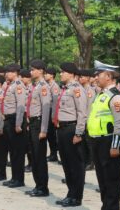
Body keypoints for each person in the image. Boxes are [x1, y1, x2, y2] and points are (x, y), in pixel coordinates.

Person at [88, 60, 120, 210]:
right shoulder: (101, 95)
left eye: (99, 74)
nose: (95, 77)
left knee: (111, 181)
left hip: (109, 143)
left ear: (108, 76)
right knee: (102, 180)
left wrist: (115, 145)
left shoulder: (115, 96)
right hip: (98, 141)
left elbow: (119, 123)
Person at [54, 62, 87, 207]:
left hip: (72, 129)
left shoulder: (77, 89)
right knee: (66, 163)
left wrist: (79, 133)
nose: (60, 74)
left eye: (63, 72)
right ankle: (70, 193)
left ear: (72, 74)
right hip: (62, 129)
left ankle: (76, 197)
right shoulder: (64, 89)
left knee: (75, 165)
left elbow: (82, 113)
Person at [24, 60, 51, 197]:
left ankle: (43, 187)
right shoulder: (35, 86)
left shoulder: (43, 87)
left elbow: (46, 109)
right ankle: (37, 185)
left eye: (33, 69)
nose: (31, 72)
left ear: (41, 71)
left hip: (39, 123)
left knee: (40, 157)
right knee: (34, 156)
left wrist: (44, 129)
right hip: (33, 123)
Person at [0, 64, 26, 188]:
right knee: (12, 150)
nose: (6, 74)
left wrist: (18, 123)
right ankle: (14, 177)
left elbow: (21, 105)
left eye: (8, 72)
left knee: (17, 152)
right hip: (8, 119)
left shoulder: (19, 85)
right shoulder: (8, 85)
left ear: (15, 73)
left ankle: (19, 179)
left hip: (15, 119)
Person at [78, 69, 96, 171]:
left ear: (88, 78)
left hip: (88, 120)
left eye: (82, 77)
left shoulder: (90, 91)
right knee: (84, 143)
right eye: (80, 77)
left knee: (88, 143)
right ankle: (85, 161)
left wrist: (86, 121)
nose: (80, 78)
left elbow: (88, 108)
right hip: (82, 119)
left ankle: (90, 162)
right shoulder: (82, 89)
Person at [45, 67, 60, 162]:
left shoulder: (54, 86)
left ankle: (54, 154)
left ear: (52, 75)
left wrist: (54, 116)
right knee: (49, 135)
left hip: (52, 111)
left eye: (47, 73)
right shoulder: (48, 85)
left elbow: (55, 103)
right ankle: (52, 153)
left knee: (52, 135)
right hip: (48, 110)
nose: (45, 75)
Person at [20, 69, 33, 173]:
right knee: (25, 142)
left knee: (29, 143)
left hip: (28, 116)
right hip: (24, 116)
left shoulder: (31, 88)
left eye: (22, 77)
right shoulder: (23, 88)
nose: (21, 79)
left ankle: (31, 164)